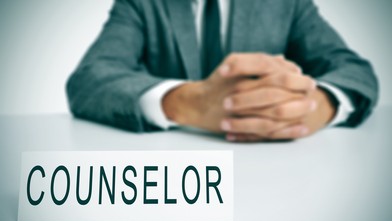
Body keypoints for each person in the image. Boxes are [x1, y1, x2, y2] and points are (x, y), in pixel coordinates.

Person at [66, 0, 378, 142]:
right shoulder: (142, 4)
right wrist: (189, 102)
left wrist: (311, 107)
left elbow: (354, 70)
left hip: (274, 180)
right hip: (174, 177)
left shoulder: (287, 4)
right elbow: (88, 78)